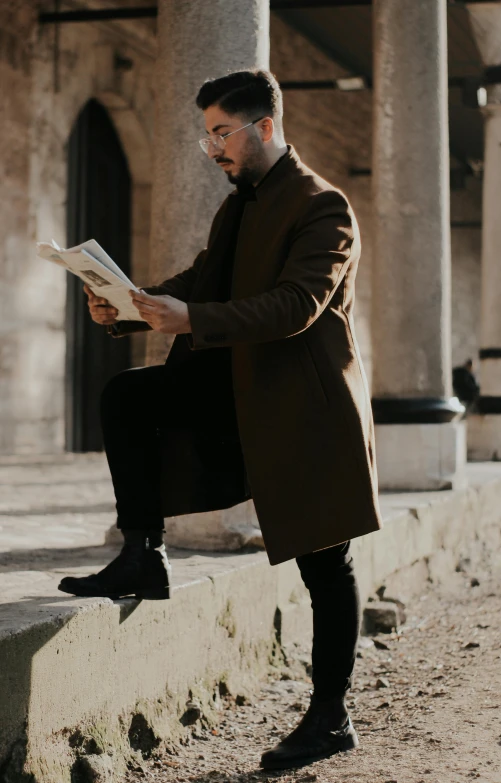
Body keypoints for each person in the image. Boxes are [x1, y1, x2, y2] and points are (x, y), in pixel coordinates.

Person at [58, 70, 383, 770]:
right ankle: (142, 556)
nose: (211, 148)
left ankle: (331, 714)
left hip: (305, 410)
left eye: (220, 132)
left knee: (327, 563)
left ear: (263, 127)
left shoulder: (324, 206)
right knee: (129, 398)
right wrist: (131, 303)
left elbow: (296, 305)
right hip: (240, 391)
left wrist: (194, 319)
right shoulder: (239, 204)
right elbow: (206, 278)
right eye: (206, 134)